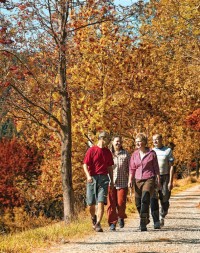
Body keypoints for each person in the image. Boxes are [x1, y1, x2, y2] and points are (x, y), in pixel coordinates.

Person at [128, 133, 160, 232]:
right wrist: (130, 180)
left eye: (139, 141)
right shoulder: (134, 154)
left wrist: (158, 179)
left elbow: (156, 167)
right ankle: (145, 218)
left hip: (149, 178)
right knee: (138, 203)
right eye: (136, 141)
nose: (137, 143)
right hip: (137, 179)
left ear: (144, 142)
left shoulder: (152, 153)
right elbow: (132, 169)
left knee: (145, 197)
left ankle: (142, 223)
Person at [83, 131, 114, 232]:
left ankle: (98, 224)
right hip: (92, 178)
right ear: (101, 139)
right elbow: (84, 165)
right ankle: (93, 217)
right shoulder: (91, 150)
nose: (108, 142)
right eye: (107, 139)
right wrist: (88, 176)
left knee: (100, 202)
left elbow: (110, 167)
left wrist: (112, 181)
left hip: (104, 179)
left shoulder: (108, 152)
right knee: (90, 204)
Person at [150, 134, 174, 228]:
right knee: (154, 198)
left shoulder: (168, 150)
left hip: (165, 177)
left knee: (164, 198)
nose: (155, 141)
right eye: (153, 140)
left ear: (161, 140)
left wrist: (170, 181)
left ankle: (163, 213)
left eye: (157, 139)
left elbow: (172, 166)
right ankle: (157, 220)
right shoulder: (151, 151)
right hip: (154, 177)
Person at [107, 136, 130, 231]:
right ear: (112, 142)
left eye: (120, 142)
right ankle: (112, 223)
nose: (118, 143)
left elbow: (130, 168)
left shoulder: (126, 154)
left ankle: (121, 217)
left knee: (121, 203)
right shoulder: (108, 153)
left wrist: (130, 180)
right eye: (116, 141)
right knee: (111, 204)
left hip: (122, 182)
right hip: (110, 182)